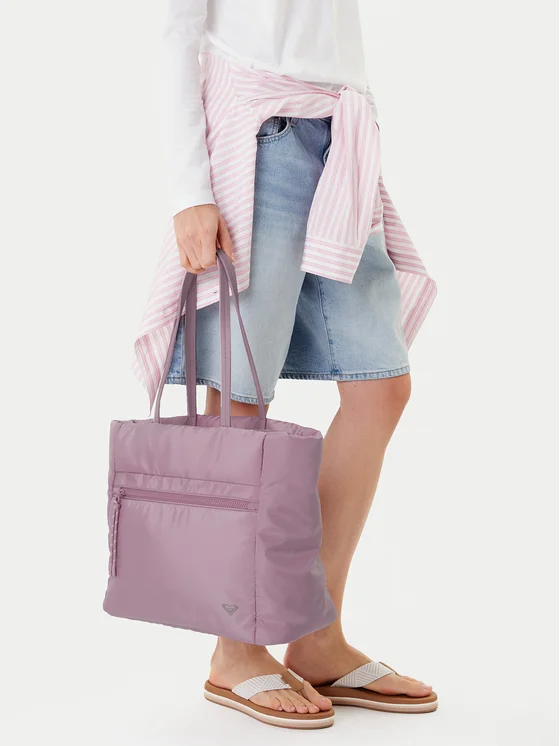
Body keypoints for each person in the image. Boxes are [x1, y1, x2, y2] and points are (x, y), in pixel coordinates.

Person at [134, 0, 438, 728]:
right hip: (260, 136)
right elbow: (176, 29)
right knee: (240, 402)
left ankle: (317, 637)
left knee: (381, 388)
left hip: (342, 140)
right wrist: (189, 194)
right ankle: (235, 651)